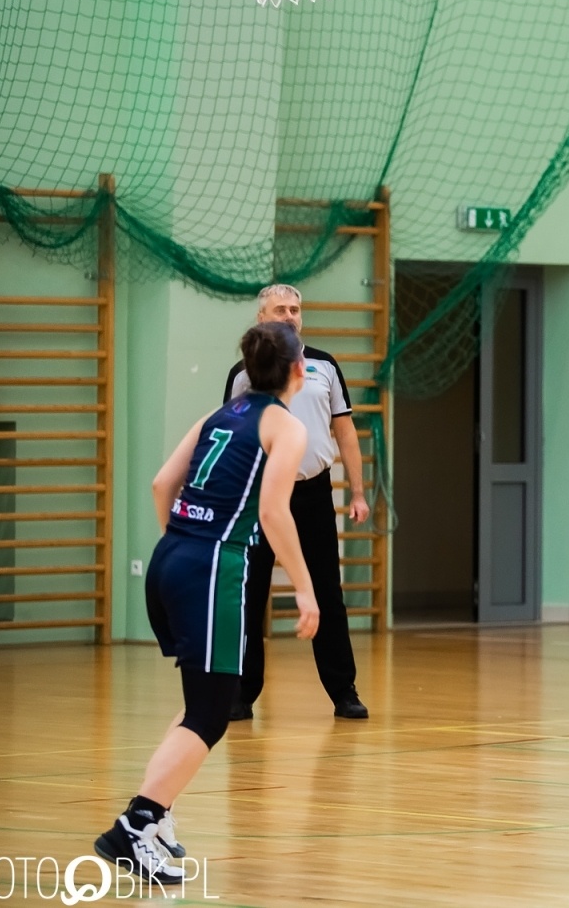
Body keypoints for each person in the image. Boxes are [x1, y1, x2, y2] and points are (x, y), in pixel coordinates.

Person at [94, 322, 319, 883]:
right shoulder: (285, 428)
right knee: (213, 712)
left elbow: (159, 485)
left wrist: (185, 544)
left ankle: (158, 811)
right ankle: (133, 827)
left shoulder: (218, 416)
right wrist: (306, 587)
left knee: (203, 701)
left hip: (170, 557)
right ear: (297, 370)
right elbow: (273, 514)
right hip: (214, 569)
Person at [224, 284, 370, 721]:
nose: (290, 315)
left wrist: (358, 492)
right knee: (249, 593)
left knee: (327, 591)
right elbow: (232, 438)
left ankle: (343, 690)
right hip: (259, 496)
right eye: (280, 309)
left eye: (296, 309)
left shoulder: (323, 367)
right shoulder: (243, 374)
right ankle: (241, 693)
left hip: (312, 494)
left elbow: (344, 431)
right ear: (261, 317)